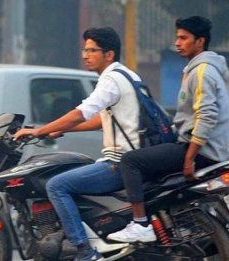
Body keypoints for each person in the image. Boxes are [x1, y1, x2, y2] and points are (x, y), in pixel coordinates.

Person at [14, 27, 143, 261]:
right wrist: (59, 130)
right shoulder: (128, 75)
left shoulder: (111, 80)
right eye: (84, 50)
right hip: (133, 158)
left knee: (56, 185)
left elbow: (81, 113)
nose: (85, 55)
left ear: (109, 54)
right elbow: (100, 121)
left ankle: (84, 252)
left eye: (92, 50)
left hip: (119, 162)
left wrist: (39, 131)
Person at [107, 16, 229, 243]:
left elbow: (207, 116)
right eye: (177, 37)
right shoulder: (196, 69)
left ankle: (140, 224)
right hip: (194, 146)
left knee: (130, 161)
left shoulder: (202, 71)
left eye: (184, 38)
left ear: (200, 41)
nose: (177, 42)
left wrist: (189, 158)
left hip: (200, 151)